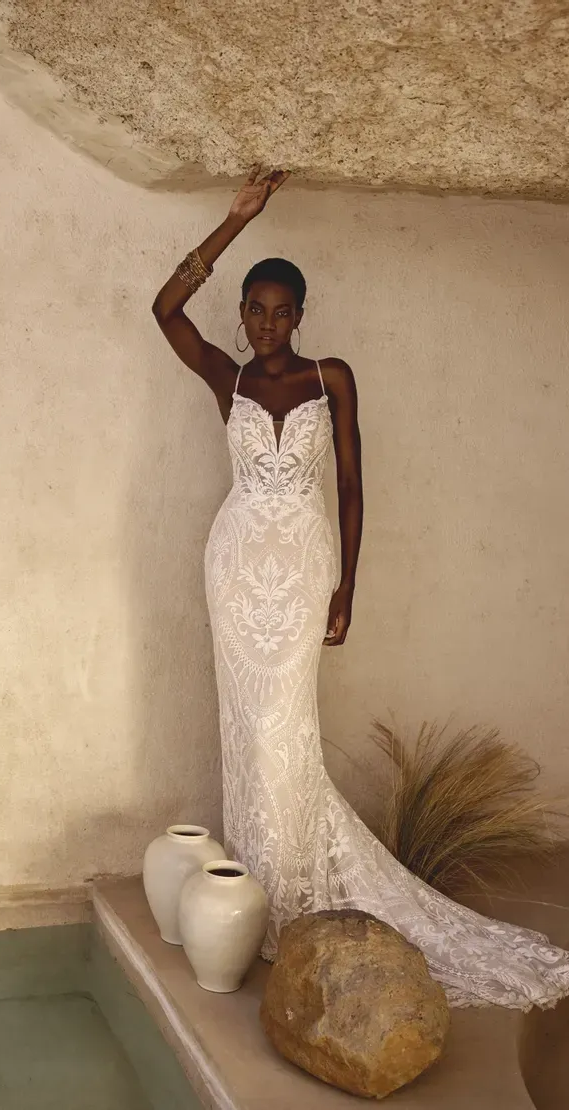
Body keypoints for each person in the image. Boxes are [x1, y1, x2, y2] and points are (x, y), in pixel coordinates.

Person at [151, 168, 569, 1009]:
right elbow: (164, 310)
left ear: (301, 315)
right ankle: (259, 899)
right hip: (235, 565)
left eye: (281, 311)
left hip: (304, 567)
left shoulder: (330, 377)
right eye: (255, 310)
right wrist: (235, 220)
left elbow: (349, 487)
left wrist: (347, 586)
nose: (267, 323)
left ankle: (291, 897)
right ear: (243, 315)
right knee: (249, 732)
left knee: (285, 728)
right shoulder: (229, 380)